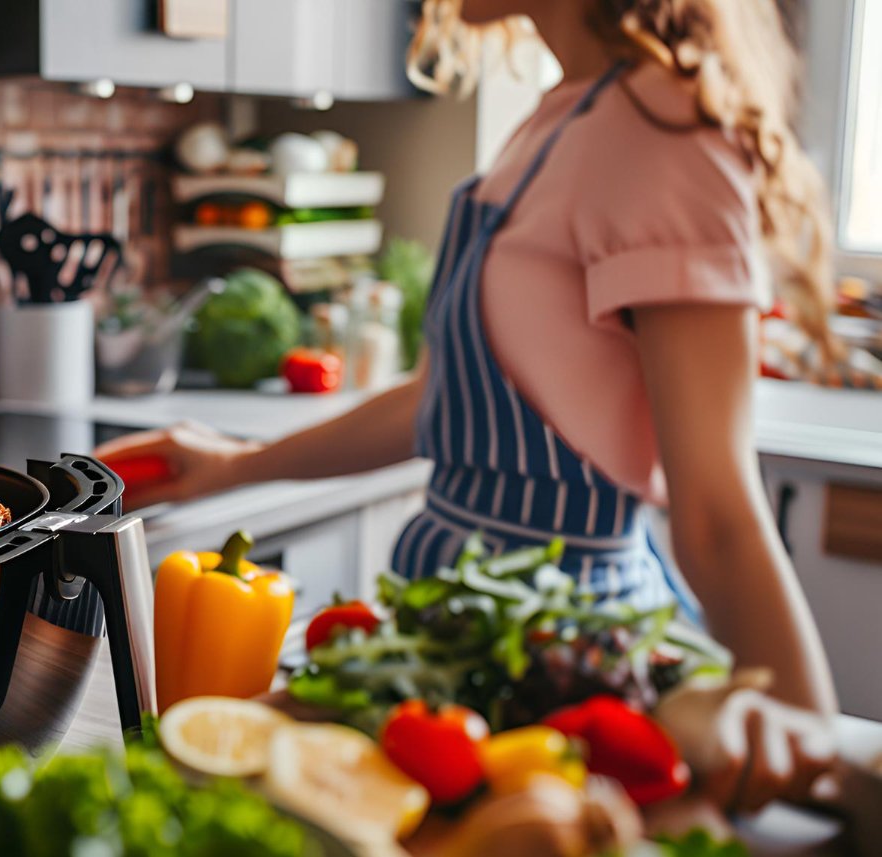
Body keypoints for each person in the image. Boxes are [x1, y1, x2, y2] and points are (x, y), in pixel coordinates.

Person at [98, 0, 840, 814]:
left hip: (561, 660)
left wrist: (824, 762)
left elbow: (720, 516)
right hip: (453, 648)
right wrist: (236, 466)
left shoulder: (664, 136)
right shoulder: (569, 113)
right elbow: (444, 403)